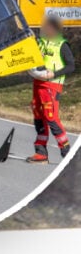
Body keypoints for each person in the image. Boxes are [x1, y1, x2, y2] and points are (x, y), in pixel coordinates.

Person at [26, 13, 74, 163]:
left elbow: (71, 66)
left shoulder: (62, 44)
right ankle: (41, 152)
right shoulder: (40, 41)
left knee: (51, 117)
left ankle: (66, 152)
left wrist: (54, 74)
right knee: (39, 117)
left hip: (52, 85)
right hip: (38, 83)